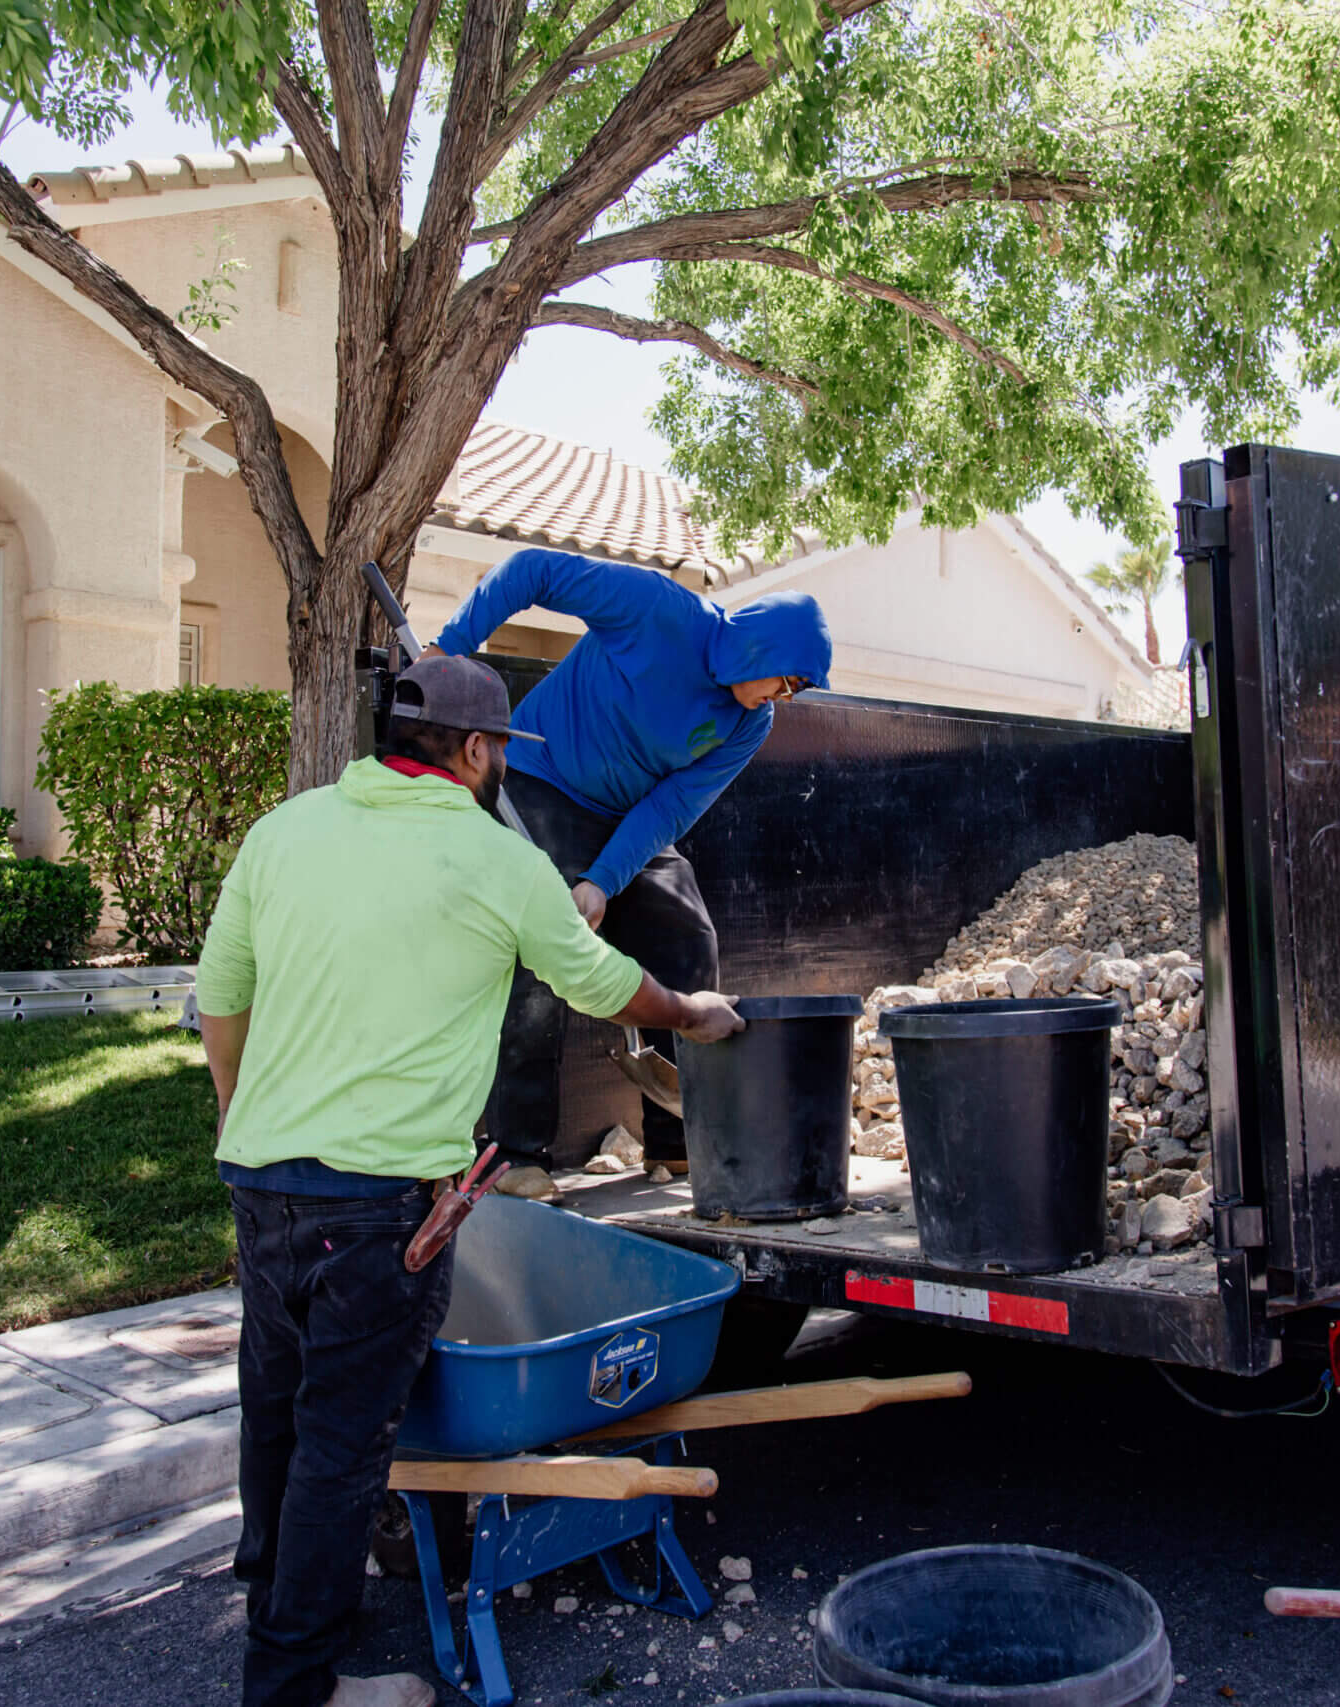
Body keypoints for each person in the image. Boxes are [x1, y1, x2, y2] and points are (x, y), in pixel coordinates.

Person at [195, 656, 744, 1707]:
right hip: (377, 1208)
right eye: (498, 753)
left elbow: (224, 996)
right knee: (340, 1449)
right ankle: (294, 1685)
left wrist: (237, 1110)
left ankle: (270, 1598)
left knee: (274, 1409)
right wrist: (690, 1011)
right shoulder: (498, 859)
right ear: (481, 751)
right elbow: (596, 981)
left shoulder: (284, 831)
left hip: (262, 1182)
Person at [425, 549, 833, 1196]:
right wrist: (449, 649)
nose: (782, 697)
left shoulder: (750, 723)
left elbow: (671, 805)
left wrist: (604, 879)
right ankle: (512, 1154)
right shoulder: (656, 608)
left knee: (689, 937)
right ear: (756, 650)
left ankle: (676, 1138)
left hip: (624, 819)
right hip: (540, 780)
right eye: (785, 681)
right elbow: (533, 570)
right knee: (538, 948)